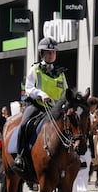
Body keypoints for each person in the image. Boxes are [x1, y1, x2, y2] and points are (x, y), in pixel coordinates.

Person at [13, 37, 68, 172]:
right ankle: (20, 156)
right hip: (37, 106)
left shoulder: (60, 73)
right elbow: (29, 88)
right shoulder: (35, 69)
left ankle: (75, 157)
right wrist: (41, 94)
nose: (51, 55)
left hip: (56, 109)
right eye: (48, 52)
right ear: (42, 54)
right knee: (24, 124)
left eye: (53, 52)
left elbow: (65, 92)